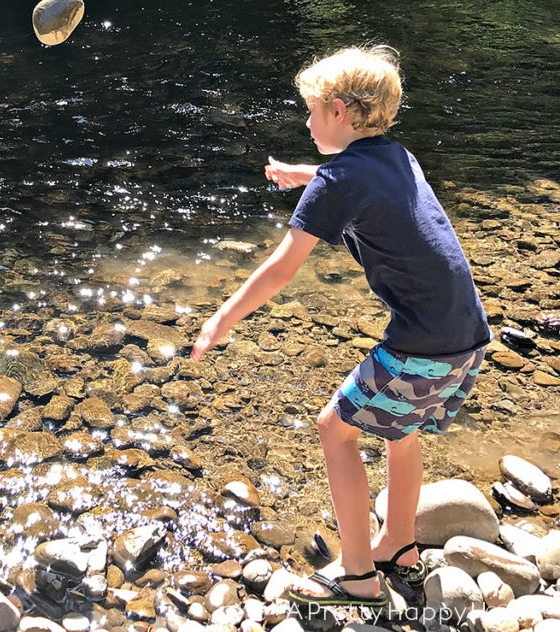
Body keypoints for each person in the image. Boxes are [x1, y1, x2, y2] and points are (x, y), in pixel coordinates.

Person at [191, 45, 491, 611]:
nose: (306, 123)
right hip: (467, 337)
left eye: (310, 112)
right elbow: (354, 181)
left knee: (336, 429)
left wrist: (221, 318)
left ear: (338, 110)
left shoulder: (338, 181)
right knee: (400, 430)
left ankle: (358, 576)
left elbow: (281, 268)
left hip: (421, 343)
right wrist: (302, 175)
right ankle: (399, 545)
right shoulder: (398, 157)